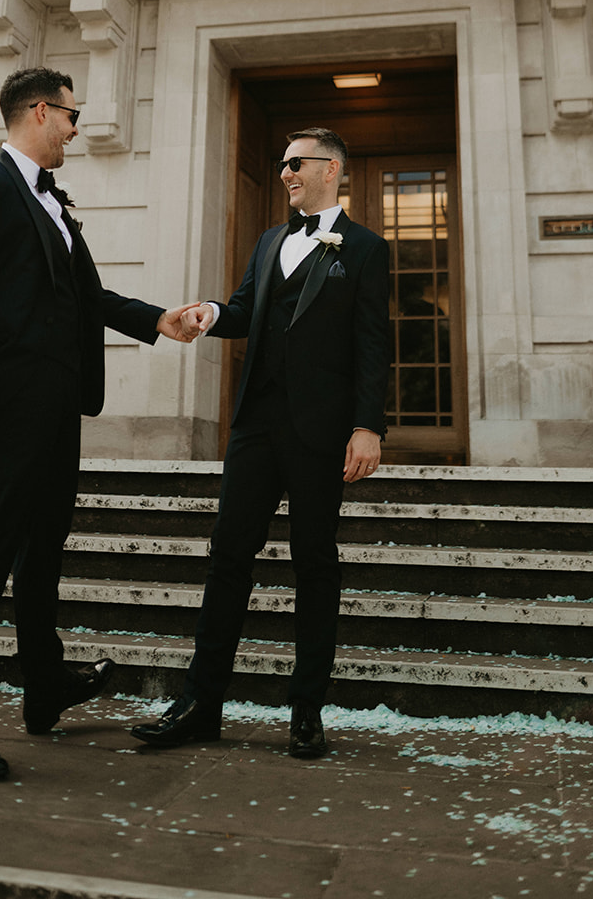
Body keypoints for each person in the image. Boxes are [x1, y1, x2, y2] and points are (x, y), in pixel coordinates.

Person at [0, 66, 201, 781]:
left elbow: (83, 295)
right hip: (5, 407)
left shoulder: (54, 203)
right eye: (71, 115)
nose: (77, 126)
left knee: (42, 551)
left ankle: (43, 685)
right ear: (40, 111)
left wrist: (156, 320)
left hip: (55, 409)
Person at [131, 127, 390, 760]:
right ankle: (200, 704)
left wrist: (368, 426)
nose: (283, 173)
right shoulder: (272, 239)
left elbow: (372, 344)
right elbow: (248, 307)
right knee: (227, 561)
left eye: (295, 163)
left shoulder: (365, 249)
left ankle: (307, 712)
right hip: (255, 425)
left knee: (314, 565)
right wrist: (212, 314)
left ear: (331, 169)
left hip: (321, 433)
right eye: (280, 164)